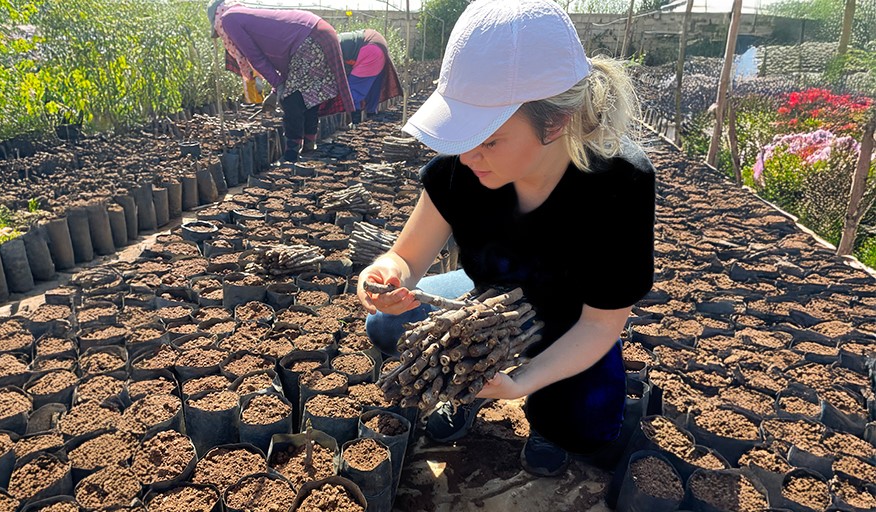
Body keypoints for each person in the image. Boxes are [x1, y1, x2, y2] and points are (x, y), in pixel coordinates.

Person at [356, 0, 655, 478]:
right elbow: (405, 256)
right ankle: (470, 389)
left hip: (570, 322)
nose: (470, 154)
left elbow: (601, 325)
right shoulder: (459, 170)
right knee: (389, 327)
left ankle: (544, 418)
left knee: (583, 425)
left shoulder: (618, 185)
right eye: (461, 134)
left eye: (489, 139)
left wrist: (522, 381)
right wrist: (384, 275)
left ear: (555, 122)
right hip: (487, 304)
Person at [208, 0, 355, 162]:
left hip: (307, 38)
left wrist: (278, 85)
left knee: (291, 99)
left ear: (217, 19)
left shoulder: (229, 19)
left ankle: (292, 154)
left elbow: (255, 56)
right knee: (308, 98)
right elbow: (281, 52)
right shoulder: (242, 14)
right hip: (316, 31)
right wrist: (274, 90)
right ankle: (309, 147)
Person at [337, 28, 403, 123]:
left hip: (371, 50)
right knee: (372, 86)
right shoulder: (336, 39)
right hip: (376, 43)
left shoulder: (332, 46)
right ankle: (371, 114)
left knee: (352, 90)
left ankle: (356, 122)